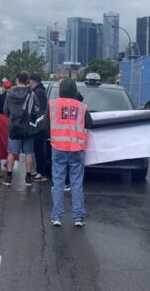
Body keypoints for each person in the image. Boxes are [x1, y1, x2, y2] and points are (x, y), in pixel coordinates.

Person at [47, 78, 94, 227]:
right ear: (75, 90)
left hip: (58, 147)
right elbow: (90, 124)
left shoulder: (53, 105)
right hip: (77, 148)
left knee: (58, 183)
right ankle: (78, 217)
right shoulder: (81, 107)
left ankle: (57, 217)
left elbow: (45, 124)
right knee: (76, 183)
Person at [3, 71, 40, 187]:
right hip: (27, 127)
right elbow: (37, 109)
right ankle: (28, 177)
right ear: (27, 81)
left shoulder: (9, 93)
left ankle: (9, 177)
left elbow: (5, 110)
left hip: (14, 126)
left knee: (11, 152)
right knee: (29, 152)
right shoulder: (31, 93)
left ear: (17, 80)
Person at [29, 74, 49, 182]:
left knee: (39, 150)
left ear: (33, 81)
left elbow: (39, 110)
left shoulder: (38, 92)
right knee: (39, 149)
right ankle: (40, 171)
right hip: (40, 125)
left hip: (39, 126)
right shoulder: (41, 91)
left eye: (30, 82)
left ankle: (41, 172)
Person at [0, 78, 12, 171]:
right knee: (9, 141)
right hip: (11, 120)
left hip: (0, 119)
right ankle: (9, 160)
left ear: (3, 87)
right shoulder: (13, 97)